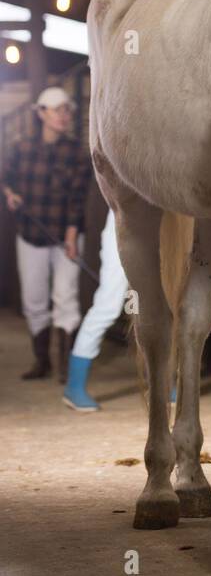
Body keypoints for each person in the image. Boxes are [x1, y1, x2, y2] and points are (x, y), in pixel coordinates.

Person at [2, 86, 92, 382]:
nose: (64, 115)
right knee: (34, 299)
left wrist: (71, 236)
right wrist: (10, 192)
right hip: (30, 234)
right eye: (57, 110)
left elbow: (78, 197)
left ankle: (65, 366)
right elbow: (7, 177)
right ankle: (42, 362)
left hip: (66, 236)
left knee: (66, 297)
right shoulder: (21, 147)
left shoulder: (77, 152)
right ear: (41, 113)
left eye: (68, 109)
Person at [63, 207, 129, 412]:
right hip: (124, 226)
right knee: (108, 307)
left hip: (162, 227)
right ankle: (74, 387)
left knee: (160, 308)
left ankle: (166, 383)